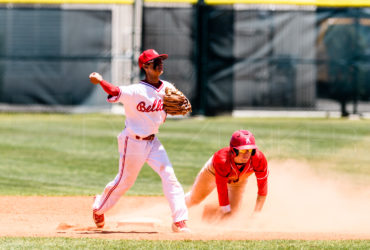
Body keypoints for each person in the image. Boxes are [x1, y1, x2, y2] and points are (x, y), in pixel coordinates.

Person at [89, 49, 190, 233]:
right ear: (145, 66)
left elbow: (181, 103)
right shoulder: (135, 90)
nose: (160, 63)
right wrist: (100, 81)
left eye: (161, 60)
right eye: (155, 61)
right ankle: (98, 207)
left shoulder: (167, 86)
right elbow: (114, 90)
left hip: (153, 142)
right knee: (124, 182)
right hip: (132, 142)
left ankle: (180, 221)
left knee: (170, 178)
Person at [185, 130, 268, 221]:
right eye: (243, 150)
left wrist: (257, 212)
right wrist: (226, 210)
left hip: (238, 180)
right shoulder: (221, 160)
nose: (247, 153)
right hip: (212, 174)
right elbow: (222, 189)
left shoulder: (259, 159)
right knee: (195, 199)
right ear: (233, 150)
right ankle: (174, 210)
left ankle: (209, 212)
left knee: (233, 213)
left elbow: (262, 187)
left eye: (250, 149)